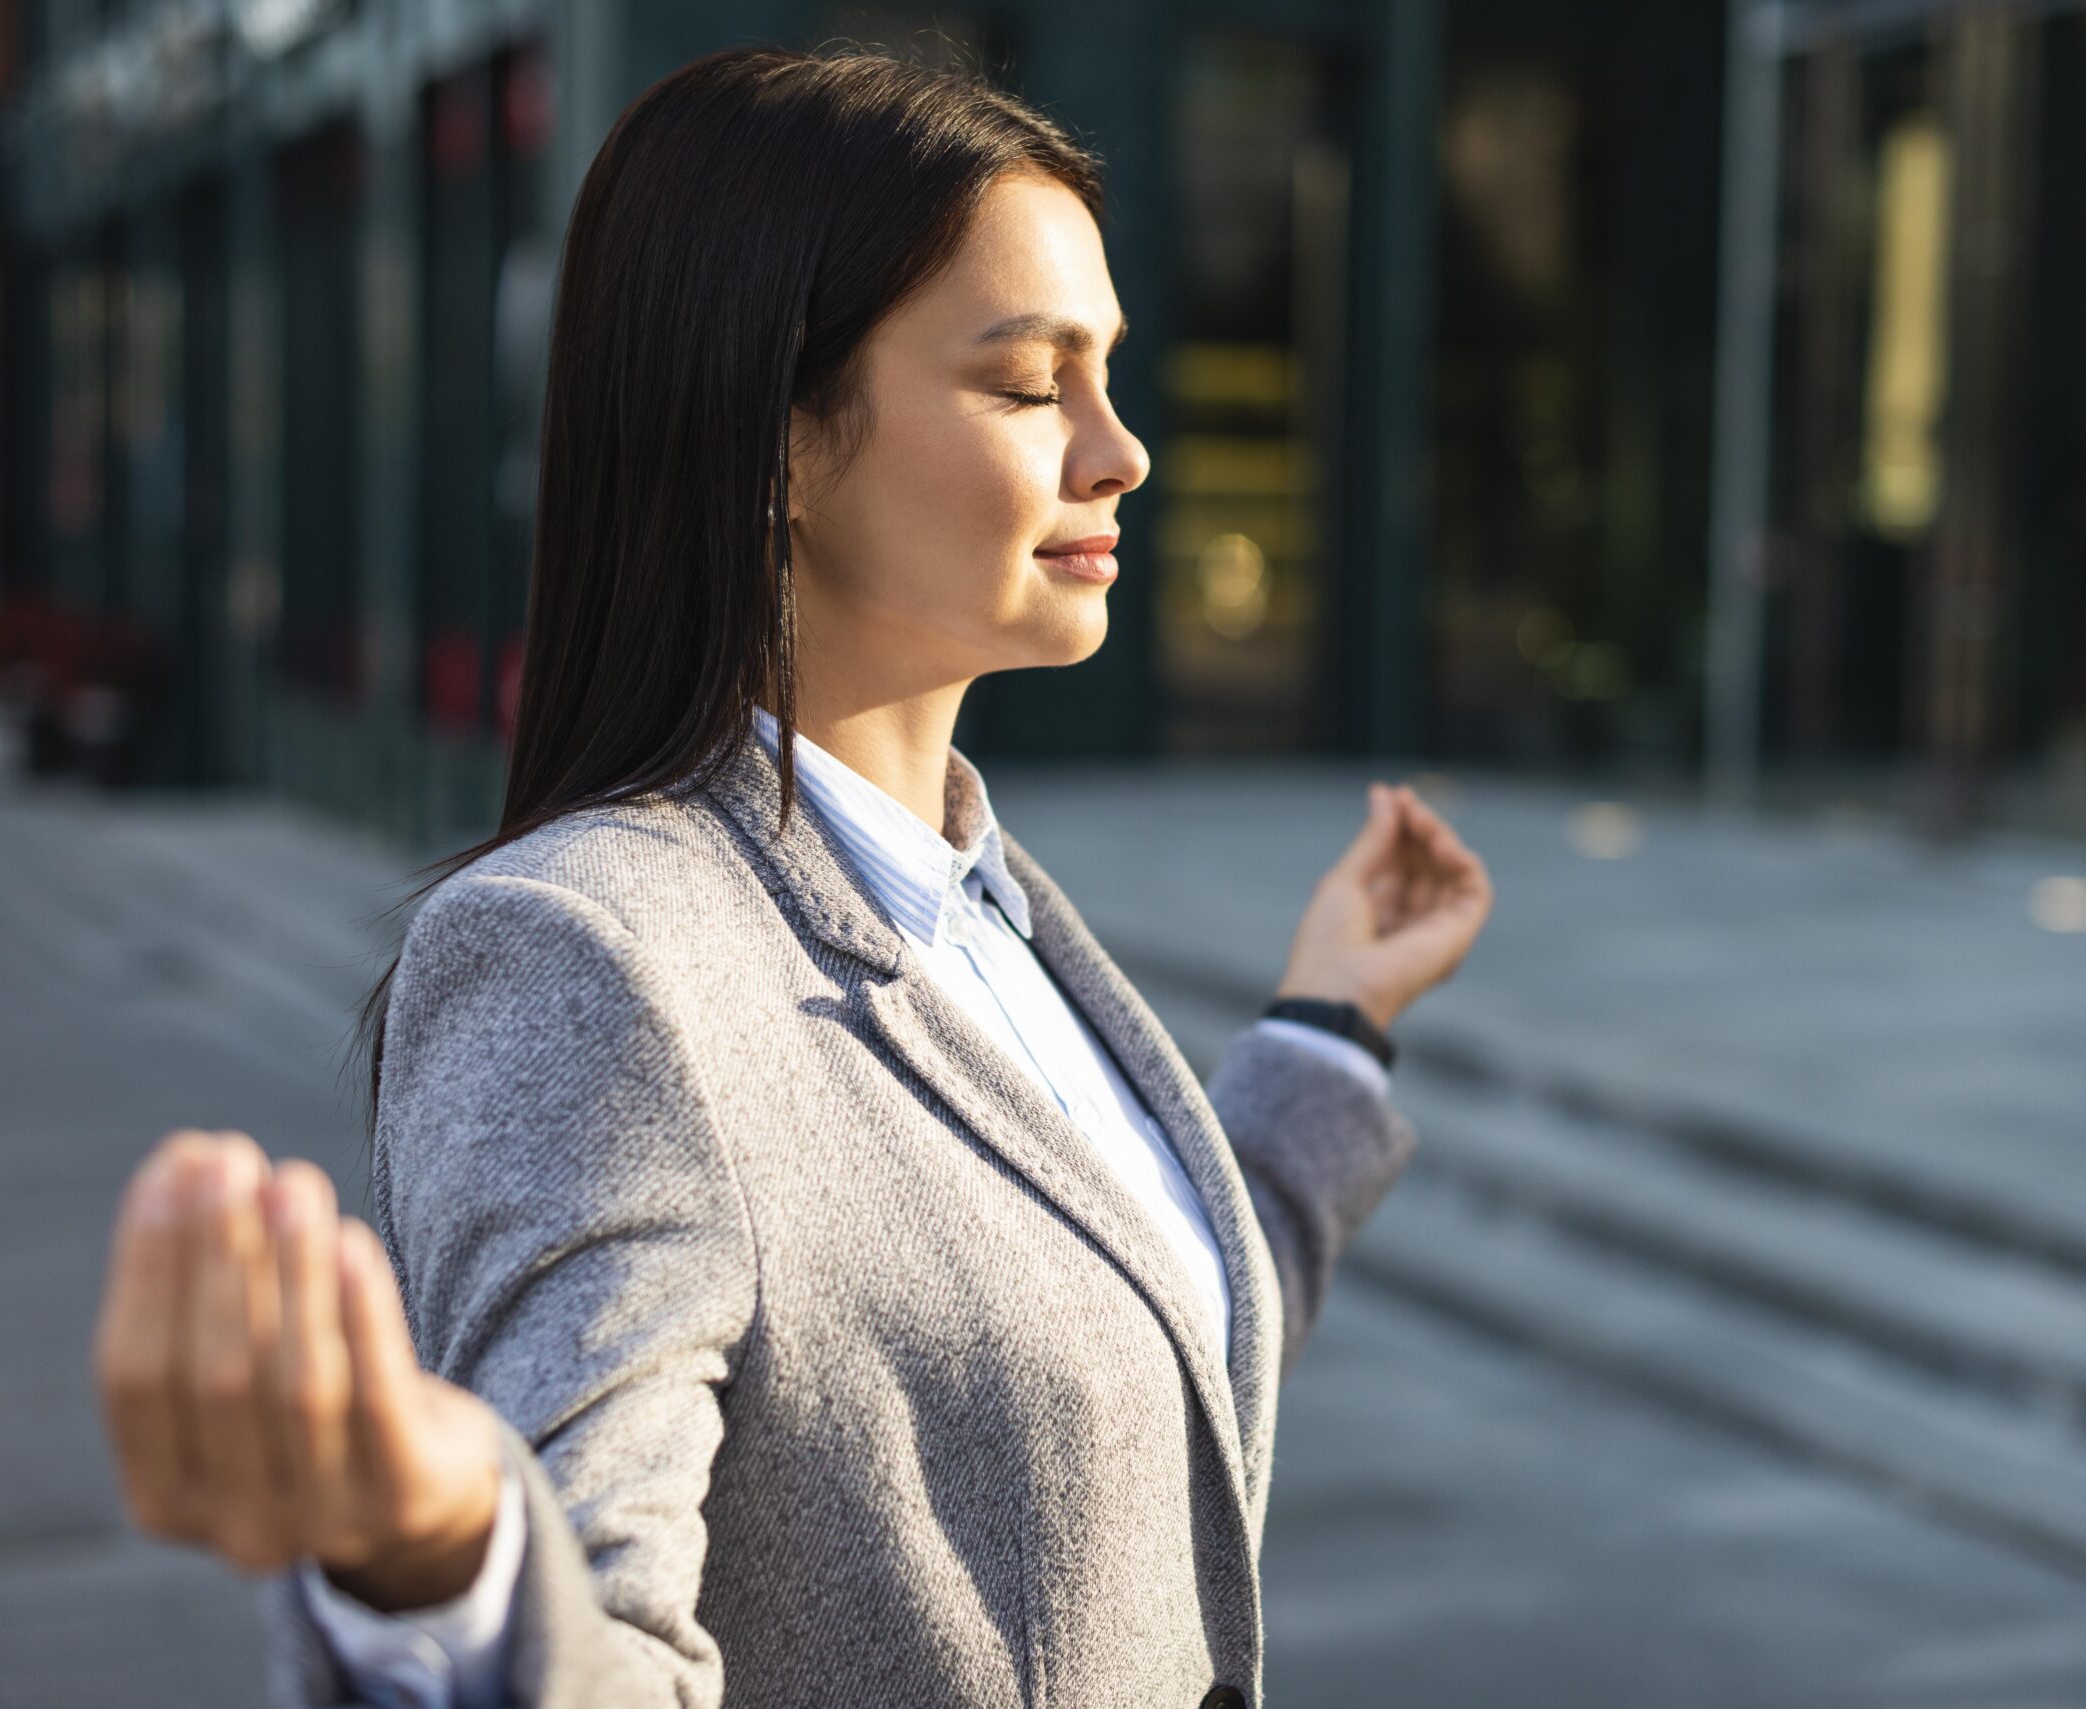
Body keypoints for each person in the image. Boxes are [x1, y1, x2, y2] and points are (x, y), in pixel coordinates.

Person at [89, 43, 1491, 1709]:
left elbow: (1103, 1342)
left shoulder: (973, 894)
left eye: (1109, 372)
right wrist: (446, 1553)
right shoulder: (586, 964)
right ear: (781, 441)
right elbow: (603, 1634)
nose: (1122, 451)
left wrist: (1332, 1026)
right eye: (1033, 382)